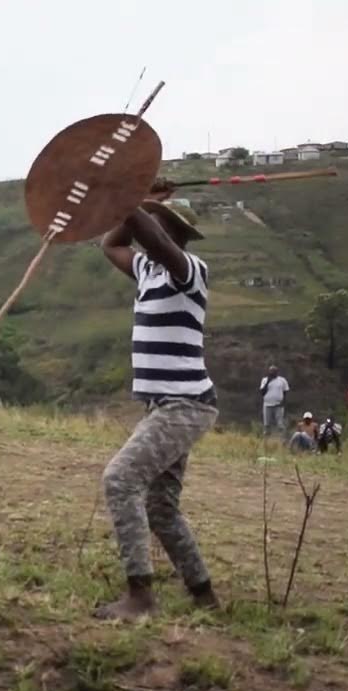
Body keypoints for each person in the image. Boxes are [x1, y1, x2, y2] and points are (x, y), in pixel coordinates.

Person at [94, 198, 220, 620]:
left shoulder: (189, 271)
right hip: (165, 407)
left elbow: (154, 237)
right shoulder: (147, 271)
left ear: (172, 233)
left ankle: (140, 597)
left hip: (183, 405)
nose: (148, 231)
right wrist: (138, 200)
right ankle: (203, 593)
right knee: (161, 509)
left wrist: (132, 196)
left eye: (158, 223)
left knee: (120, 480)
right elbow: (110, 244)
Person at [259, 365, 290, 436]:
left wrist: (283, 402)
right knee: (267, 424)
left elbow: (285, 392)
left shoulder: (282, 380)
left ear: (277, 372)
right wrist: (268, 382)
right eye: (271, 371)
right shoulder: (265, 380)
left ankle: (282, 438)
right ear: (269, 372)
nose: (272, 373)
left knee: (280, 424)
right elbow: (262, 392)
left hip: (278, 405)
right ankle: (266, 439)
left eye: (274, 371)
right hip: (267, 405)